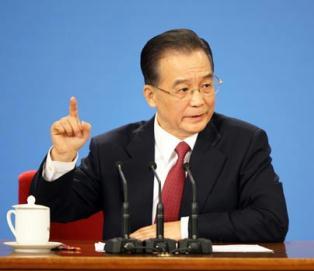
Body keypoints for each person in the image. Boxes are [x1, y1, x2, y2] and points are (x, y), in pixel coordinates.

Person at [30, 29, 288, 242]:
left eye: (206, 86)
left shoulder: (244, 142)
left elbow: (271, 220)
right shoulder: (112, 149)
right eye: (184, 89)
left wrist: (184, 229)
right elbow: (57, 211)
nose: (199, 101)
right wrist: (63, 156)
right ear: (151, 95)